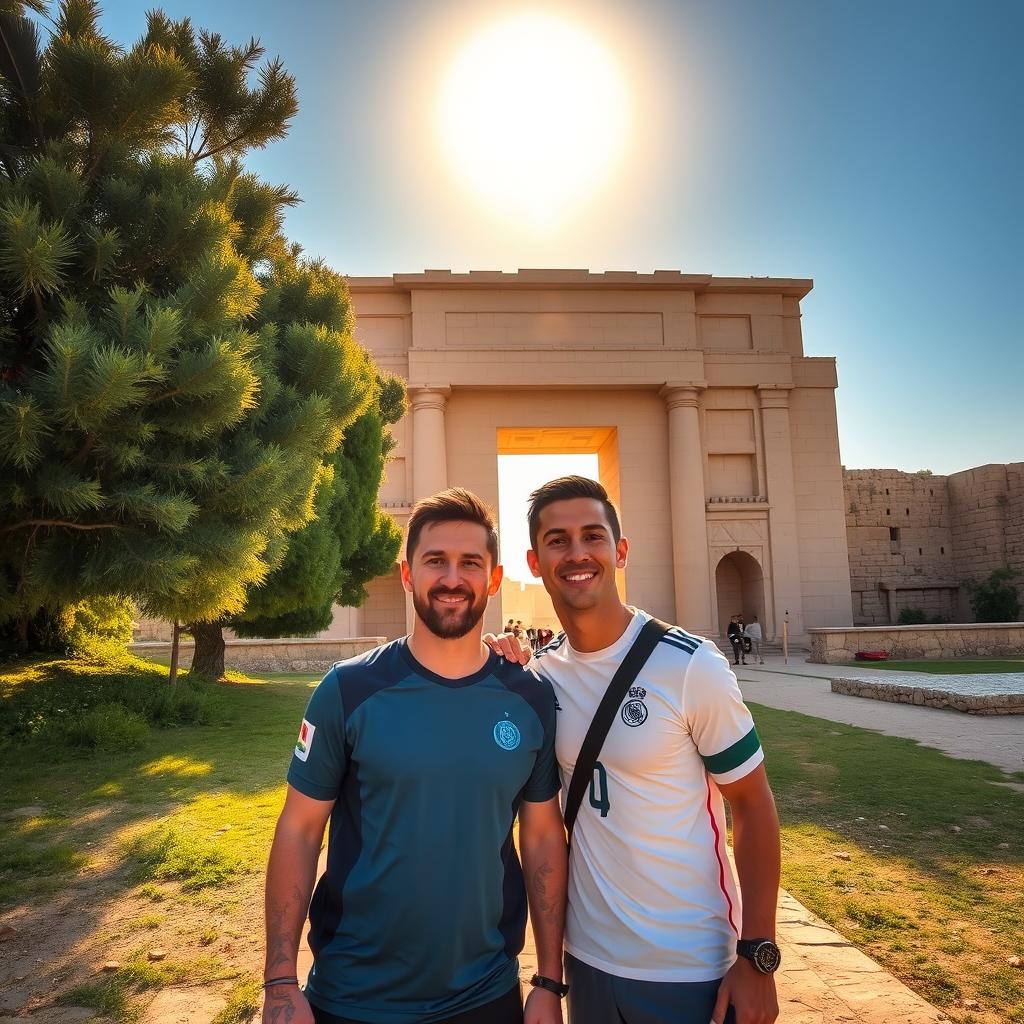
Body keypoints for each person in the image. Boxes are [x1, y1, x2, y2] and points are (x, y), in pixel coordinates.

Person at [263, 488, 568, 1024]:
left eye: (470, 563)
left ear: (493, 579)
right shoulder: (348, 690)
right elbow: (299, 831)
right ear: (408, 574)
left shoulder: (530, 698)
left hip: (485, 994)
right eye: (435, 561)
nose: (452, 578)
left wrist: (547, 981)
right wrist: (280, 981)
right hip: (353, 996)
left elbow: (542, 838)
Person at [489, 476, 781, 1024]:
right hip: (589, 963)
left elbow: (752, 804)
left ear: (620, 551)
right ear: (534, 560)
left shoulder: (690, 665)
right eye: (557, 540)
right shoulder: (541, 677)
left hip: (690, 967)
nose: (577, 554)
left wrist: (758, 956)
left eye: (592, 536)